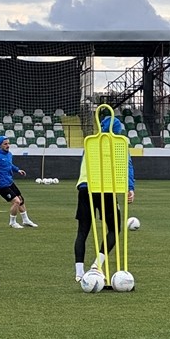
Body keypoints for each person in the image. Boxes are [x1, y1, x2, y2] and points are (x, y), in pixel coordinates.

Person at [74, 115, 135, 282]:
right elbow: (127, 165)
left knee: (83, 231)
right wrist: (130, 187)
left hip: (85, 187)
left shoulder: (90, 142)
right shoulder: (119, 143)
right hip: (106, 187)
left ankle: (79, 273)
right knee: (114, 229)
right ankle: (96, 265)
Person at [0, 135, 38, 228]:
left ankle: (25, 220)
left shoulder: (9, 155)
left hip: (10, 182)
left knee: (21, 200)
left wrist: (17, 170)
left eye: (8, 143)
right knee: (16, 201)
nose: (8, 145)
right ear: (0, 145)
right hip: (2, 185)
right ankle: (12, 222)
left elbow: (10, 165)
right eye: (5, 144)